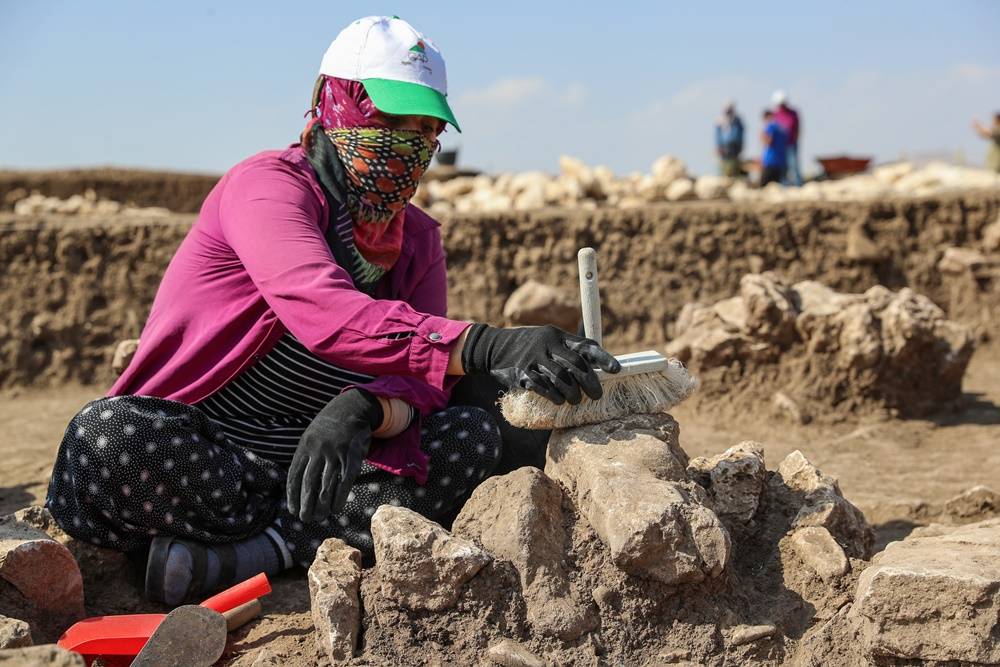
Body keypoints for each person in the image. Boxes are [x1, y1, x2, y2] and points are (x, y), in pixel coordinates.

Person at [45, 15, 619, 605]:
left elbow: (416, 386)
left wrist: (362, 407)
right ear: (332, 102)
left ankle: (250, 554)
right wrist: (489, 344)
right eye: (389, 120)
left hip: (324, 463)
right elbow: (324, 308)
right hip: (215, 446)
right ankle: (285, 543)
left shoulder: (417, 240)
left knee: (471, 434)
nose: (408, 144)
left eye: (425, 129)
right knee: (107, 437)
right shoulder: (266, 189)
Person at [771, 90, 802, 186]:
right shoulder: (775, 115)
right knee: (783, 166)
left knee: (794, 165)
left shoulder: (793, 113)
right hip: (780, 146)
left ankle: (797, 184)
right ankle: (784, 184)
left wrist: (795, 139)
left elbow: (797, 128)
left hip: (791, 143)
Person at [714, 101, 744, 177]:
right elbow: (717, 136)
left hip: (735, 147)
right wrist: (718, 147)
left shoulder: (737, 120)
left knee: (734, 165)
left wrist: (740, 146)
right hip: (723, 146)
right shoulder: (720, 121)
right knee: (724, 166)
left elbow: (740, 135)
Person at [760, 109, 788, 187]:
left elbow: (768, 141)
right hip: (781, 161)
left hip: (770, 161)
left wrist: (762, 136)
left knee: (764, 186)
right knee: (777, 186)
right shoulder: (781, 128)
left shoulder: (770, 126)